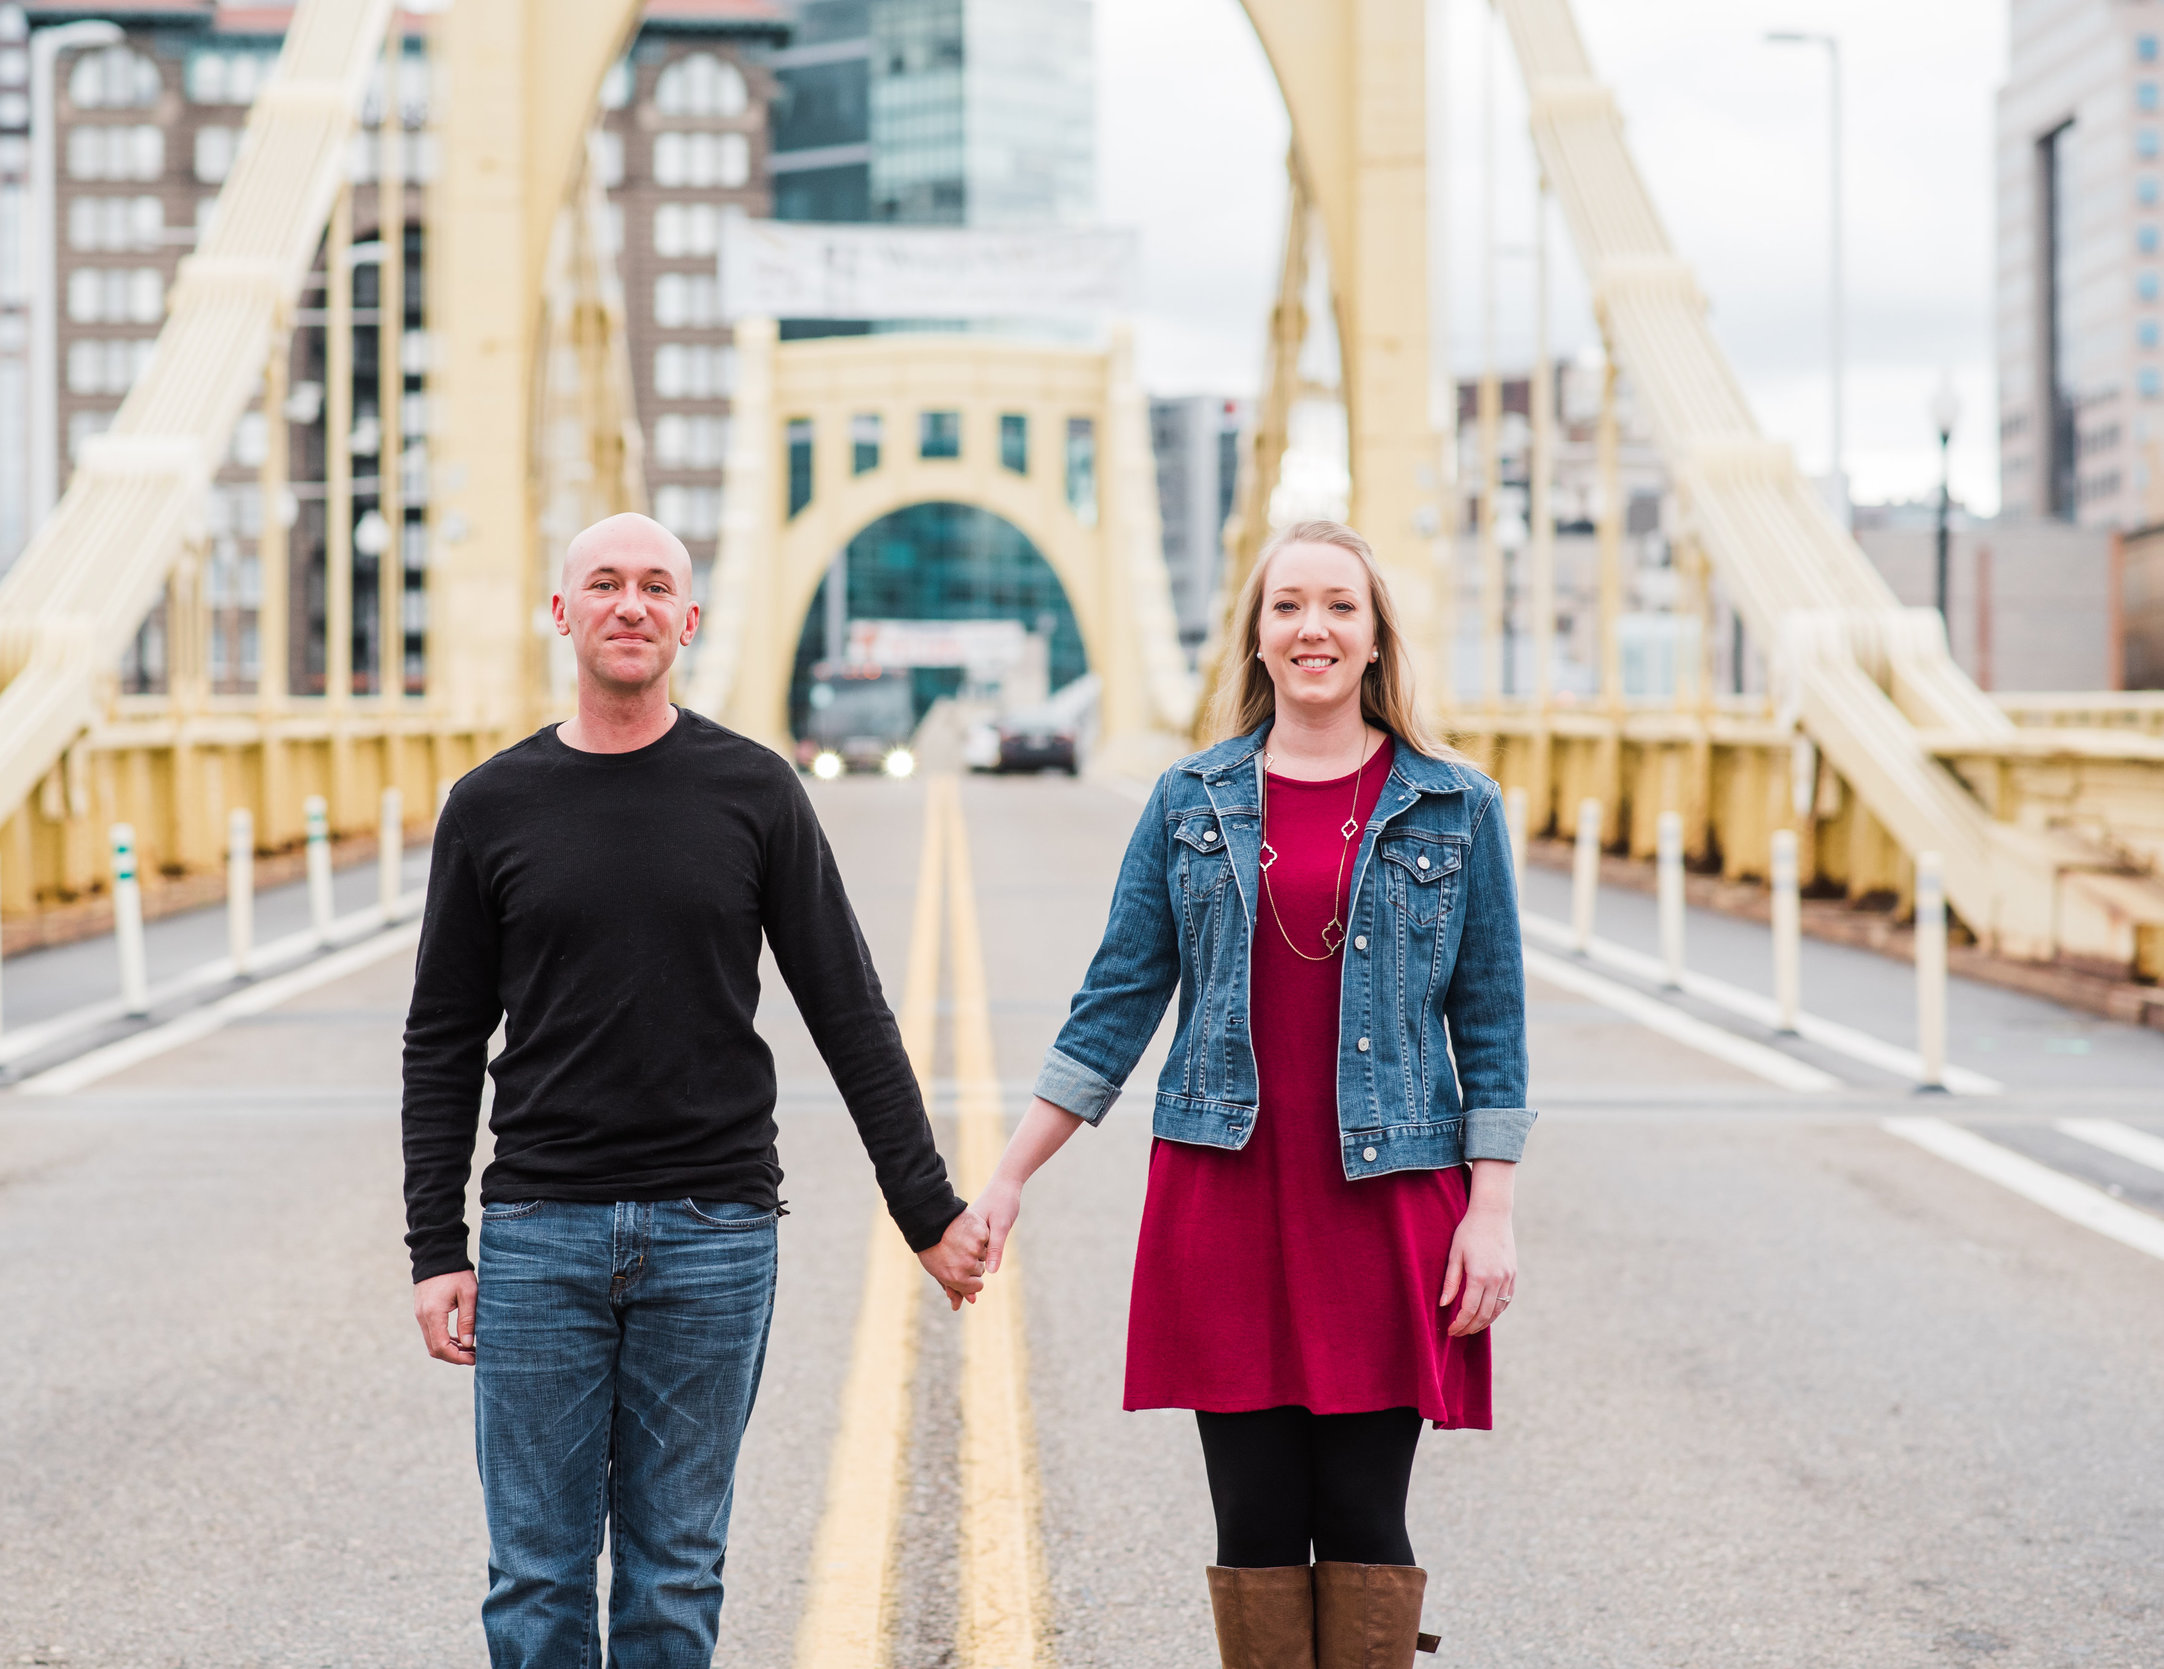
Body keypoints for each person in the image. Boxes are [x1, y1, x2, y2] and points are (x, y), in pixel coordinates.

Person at [401, 512, 991, 1668]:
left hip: (713, 1231)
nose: (632, 604)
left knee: (675, 1574)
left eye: (656, 585)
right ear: (561, 613)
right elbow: (441, 1036)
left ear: (690, 619)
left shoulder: (755, 791)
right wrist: (435, 1245)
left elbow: (849, 1008)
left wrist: (925, 1209)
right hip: (537, 1231)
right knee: (535, 1579)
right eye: (605, 583)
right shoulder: (490, 804)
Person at [963, 520, 1529, 1669]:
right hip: (1225, 1200)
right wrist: (1009, 1176)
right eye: (1286, 608)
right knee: (1255, 1526)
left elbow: (1492, 1021)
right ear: (1256, 639)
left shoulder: (1454, 805)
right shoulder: (1188, 800)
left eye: (1337, 607)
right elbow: (1114, 1004)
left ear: (1374, 641)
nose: (1311, 628)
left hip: (1385, 1199)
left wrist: (1493, 1206)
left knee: (1366, 1522)